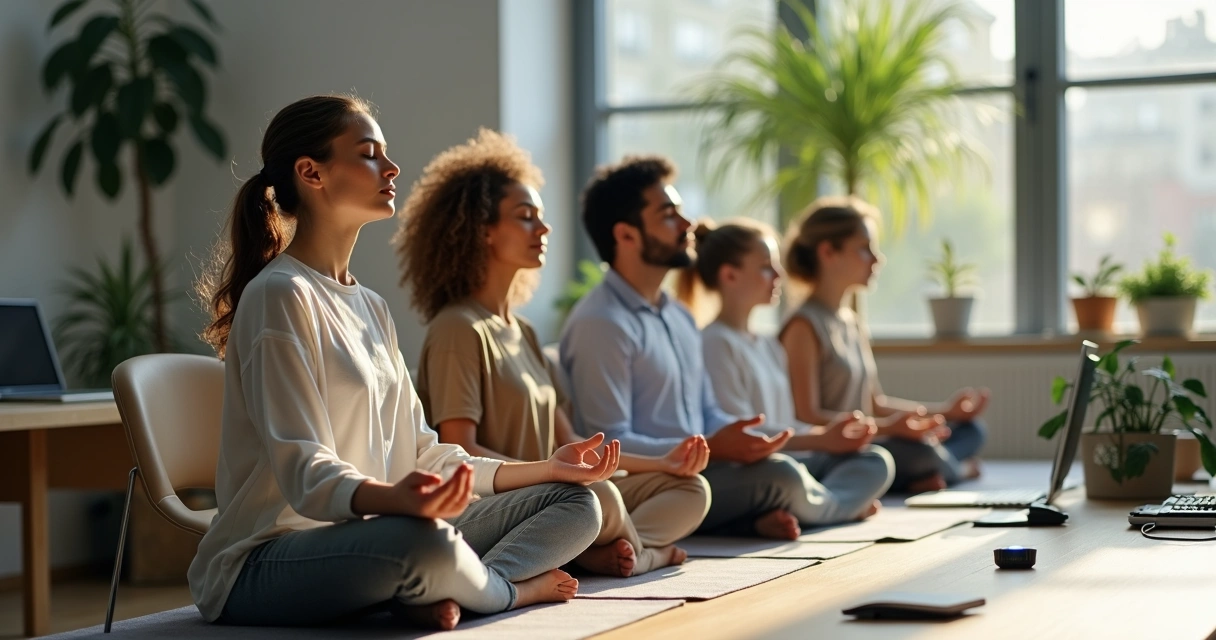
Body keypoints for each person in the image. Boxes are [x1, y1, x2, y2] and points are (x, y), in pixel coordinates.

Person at [192, 96, 618, 631]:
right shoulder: (280, 295)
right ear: (311, 173)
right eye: (369, 153)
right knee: (424, 540)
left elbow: (424, 452)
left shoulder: (370, 306)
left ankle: (450, 586)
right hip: (266, 561)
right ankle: (508, 590)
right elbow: (304, 470)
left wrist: (547, 468)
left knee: (578, 502)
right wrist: (394, 499)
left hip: (380, 534)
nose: (392, 168)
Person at [396, 129, 710, 578]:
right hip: (508, 499)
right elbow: (459, 448)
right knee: (599, 498)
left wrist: (661, 463)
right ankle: (640, 555)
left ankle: (583, 549)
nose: (543, 229)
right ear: (482, 231)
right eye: (525, 217)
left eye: (540, 217)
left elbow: (573, 447)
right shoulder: (457, 329)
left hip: (557, 485)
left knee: (690, 488)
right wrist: (546, 473)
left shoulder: (522, 331)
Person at [561, 155, 876, 541]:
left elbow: (708, 413)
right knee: (783, 475)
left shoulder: (678, 316)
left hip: (708, 468)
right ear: (626, 235)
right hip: (661, 484)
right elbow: (607, 442)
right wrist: (710, 447)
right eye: (668, 215)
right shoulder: (602, 323)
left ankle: (778, 513)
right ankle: (829, 508)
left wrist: (739, 440)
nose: (687, 224)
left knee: (873, 460)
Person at [682, 220, 893, 523]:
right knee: (785, 474)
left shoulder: (769, 344)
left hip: (793, 458)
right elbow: (742, 439)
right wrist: (820, 439)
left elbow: (788, 422)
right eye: (767, 267)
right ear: (729, 275)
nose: (779, 275)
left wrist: (828, 436)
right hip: (753, 468)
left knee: (875, 460)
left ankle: (800, 509)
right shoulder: (714, 342)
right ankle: (837, 507)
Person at [779, 196, 989, 494]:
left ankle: (923, 475)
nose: (878, 259)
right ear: (829, 252)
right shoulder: (803, 325)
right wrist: (889, 427)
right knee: (917, 453)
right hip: (840, 448)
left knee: (971, 431)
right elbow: (807, 415)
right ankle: (955, 471)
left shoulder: (851, 321)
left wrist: (946, 411)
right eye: (864, 249)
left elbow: (875, 402)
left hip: (874, 435)